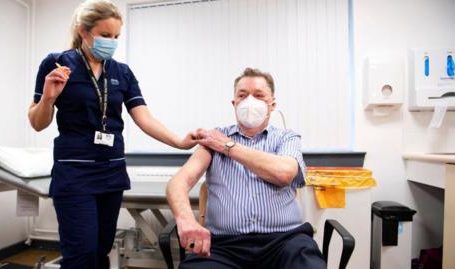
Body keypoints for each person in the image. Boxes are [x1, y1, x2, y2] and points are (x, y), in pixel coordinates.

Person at [27, 0, 197, 268]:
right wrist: (48, 99)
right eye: (105, 35)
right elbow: (37, 123)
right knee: (80, 254)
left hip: (111, 173)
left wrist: (179, 141)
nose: (112, 42)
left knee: (100, 249)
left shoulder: (122, 72)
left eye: (116, 36)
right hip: (74, 173)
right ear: (84, 31)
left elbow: (143, 117)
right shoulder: (57, 63)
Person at [167, 68, 326, 269]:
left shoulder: (286, 138)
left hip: (286, 241)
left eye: (259, 96)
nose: (250, 101)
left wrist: (228, 146)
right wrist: (186, 220)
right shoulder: (213, 139)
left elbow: (284, 173)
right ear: (235, 103)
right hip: (225, 246)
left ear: (272, 104)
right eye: (242, 95)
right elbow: (177, 183)